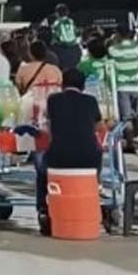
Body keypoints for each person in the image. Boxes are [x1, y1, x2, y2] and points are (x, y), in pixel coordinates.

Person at [34, 67, 104, 236]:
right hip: (89, 159)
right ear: (83, 86)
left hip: (60, 156)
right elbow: (99, 127)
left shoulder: (53, 100)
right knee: (98, 153)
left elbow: (49, 128)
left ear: (62, 84)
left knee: (41, 168)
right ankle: (97, 187)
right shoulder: (91, 101)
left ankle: (43, 208)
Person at [109, 26, 138, 151]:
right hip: (135, 84)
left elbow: (110, 55)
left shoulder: (114, 49)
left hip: (122, 85)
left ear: (118, 34)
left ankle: (130, 143)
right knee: (131, 113)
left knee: (126, 116)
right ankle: (133, 129)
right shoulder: (136, 47)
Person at [51, 3, 81, 71]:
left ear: (57, 13)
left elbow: (55, 37)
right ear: (67, 12)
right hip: (75, 48)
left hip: (63, 49)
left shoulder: (57, 23)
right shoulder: (71, 21)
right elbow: (77, 33)